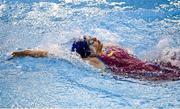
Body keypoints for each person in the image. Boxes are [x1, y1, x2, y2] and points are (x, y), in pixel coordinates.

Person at [11, 36, 180, 81]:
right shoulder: (93, 61)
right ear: (89, 51)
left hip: (151, 64)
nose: (96, 39)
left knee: (170, 53)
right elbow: (53, 54)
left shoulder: (107, 49)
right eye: (92, 41)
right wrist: (26, 52)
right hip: (150, 75)